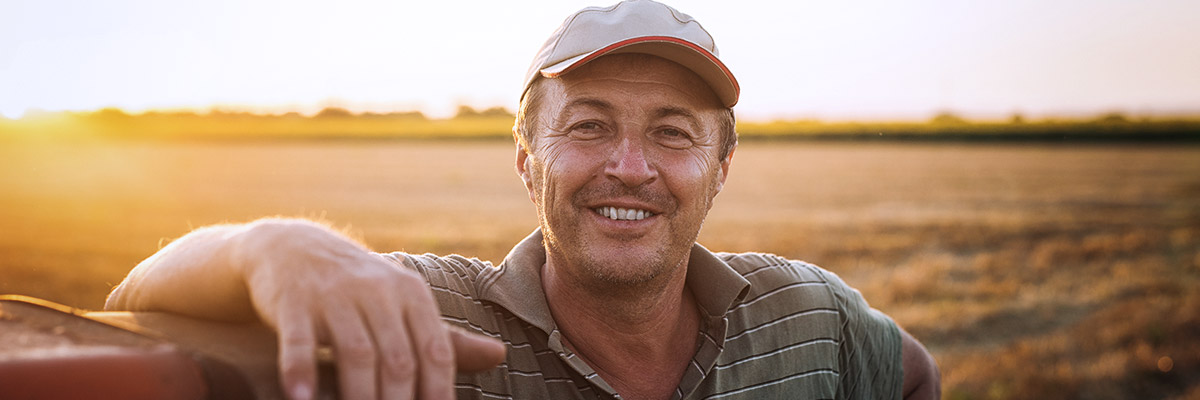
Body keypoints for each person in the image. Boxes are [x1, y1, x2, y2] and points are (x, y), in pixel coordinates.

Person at [105, 0, 940, 399]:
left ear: (722, 165)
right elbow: (130, 302)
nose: (629, 166)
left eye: (674, 134)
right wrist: (269, 249)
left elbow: (913, 376)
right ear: (526, 160)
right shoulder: (424, 317)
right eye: (588, 126)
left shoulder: (809, 314)